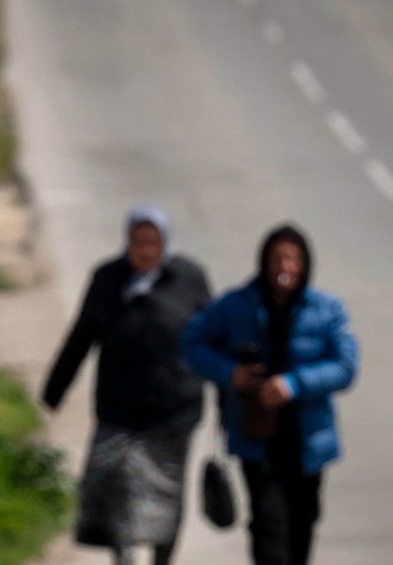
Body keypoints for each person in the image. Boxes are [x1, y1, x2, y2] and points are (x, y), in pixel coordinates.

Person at [41, 204, 212, 565]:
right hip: (119, 410)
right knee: (117, 487)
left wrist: (230, 397)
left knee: (167, 495)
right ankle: (124, 557)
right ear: (128, 242)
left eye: (154, 243)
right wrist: (54, 390)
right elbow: (82, 335)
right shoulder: (108, 279)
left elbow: (214, 341)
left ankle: (162, 559)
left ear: (165, 243)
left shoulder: (189, 279)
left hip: (174, 414)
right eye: (139, 242)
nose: (146, 251)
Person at [180, 223, 359, 565]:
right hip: (257, 441)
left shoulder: (327, 310)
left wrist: (294, 384)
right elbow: (192, 344)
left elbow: (346, 366)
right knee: (268, 530)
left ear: (305, 265)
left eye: (292, 259)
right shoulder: (236, 306)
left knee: (302, 528)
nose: (284, 267)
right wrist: (231, 374)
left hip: (308, 443)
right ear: (264, 262)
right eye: (277, 259)